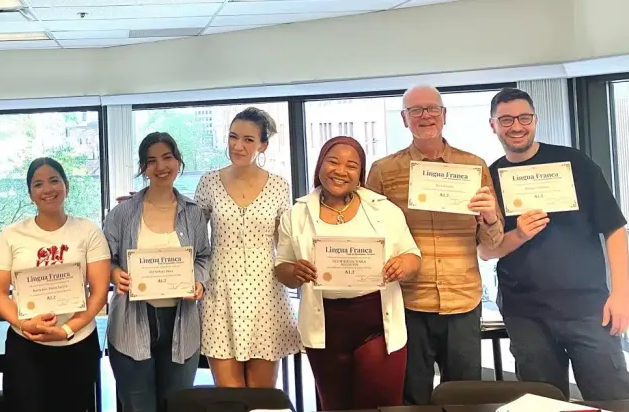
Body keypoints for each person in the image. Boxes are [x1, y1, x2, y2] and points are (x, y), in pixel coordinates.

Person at [479, 88, 629, 400]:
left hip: (589, 308)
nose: (516, 126)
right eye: (505, 120)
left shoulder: (575, 163)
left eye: (524, 118)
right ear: (492, 124)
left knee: (612, 396)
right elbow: (486, 251)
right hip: (526, 314)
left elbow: (614, 229)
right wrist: (519, 234)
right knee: (542, 402)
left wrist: (622, 294)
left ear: (535, 119)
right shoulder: (489, 178)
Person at [365, 85, 503, 405]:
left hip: (463, 300)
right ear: (404, 119)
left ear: (444, 115)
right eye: (415, 110)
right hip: (409, 302)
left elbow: (490, 244)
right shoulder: (384, 171)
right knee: (412, 397)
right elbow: (372, 234)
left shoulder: (473, 166)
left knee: (465, 399)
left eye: (432, 109)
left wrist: (491, 217)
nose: (425, 116)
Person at [276, 136, 421, 410]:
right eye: (333, 161)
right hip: (325, 326)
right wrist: (294, 271)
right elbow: (281, 268)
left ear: (360, 174)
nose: (341, 170)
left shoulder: (384, 210)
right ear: (320, 165)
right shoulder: (296, 214)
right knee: (334, 405)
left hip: (376, 322)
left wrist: (403, 265)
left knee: (379, 405)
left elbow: (414, 257)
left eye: (351, 165)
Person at [0, 157, 111, 412]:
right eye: (38, 184)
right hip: (26, 344)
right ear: (30, 194)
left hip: (77, 343)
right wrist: (23, 324)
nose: (48, 189)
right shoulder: (11, 235)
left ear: (66, 185)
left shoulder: (88, 231)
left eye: (55, 181)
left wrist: (67, 329)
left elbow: (99, 292)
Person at [104, 132, 211, 412]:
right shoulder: (122, 213)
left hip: (182, 323)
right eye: (151, 161)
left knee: (177, 405)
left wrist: (198, 282)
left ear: (178, 161)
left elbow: (203, 256)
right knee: (138, 406)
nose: (161, 166)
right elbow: (105, 260)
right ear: (143, 168)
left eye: (167, 157)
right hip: (131, 324)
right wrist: (115, 275)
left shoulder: (194, 212)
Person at [195, 107, 301, 388]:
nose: (237, 145)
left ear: (263, 145)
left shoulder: (279, 186)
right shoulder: (208, 182)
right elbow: (190, 234)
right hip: (220, 294)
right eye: (233, 137)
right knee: (229, 398)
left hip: (266, 295)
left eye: (248, 140)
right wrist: (151, 203)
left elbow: (285, 241)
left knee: (261, 398)